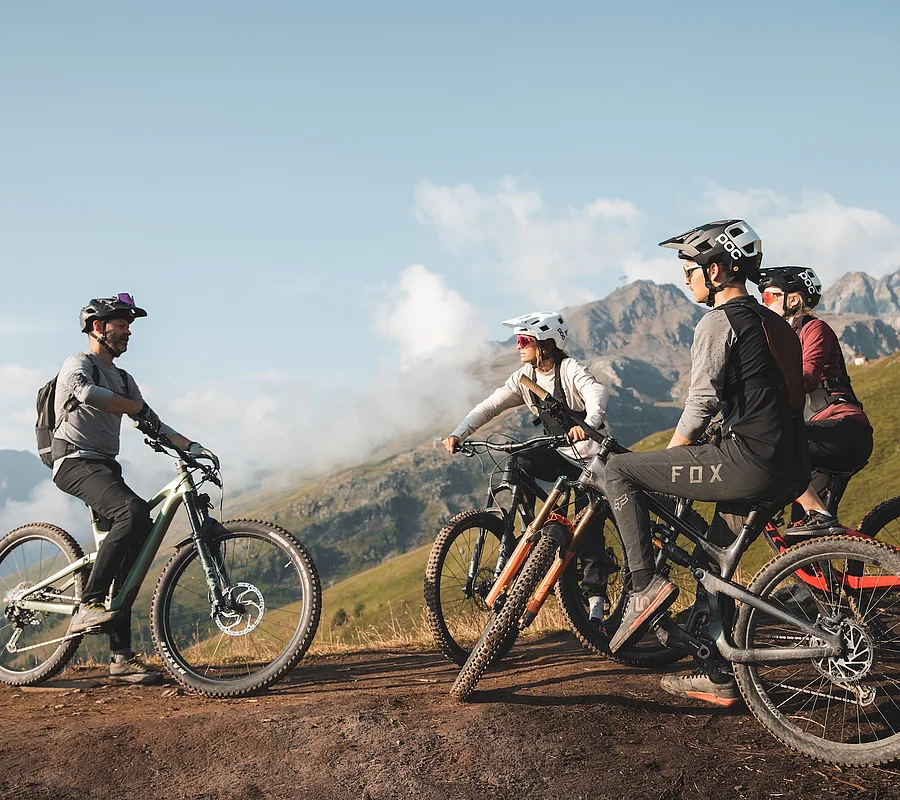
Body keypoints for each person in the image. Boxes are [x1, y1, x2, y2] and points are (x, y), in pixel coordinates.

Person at [589, 220, 810, 707]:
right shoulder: (775, 322)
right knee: (715, 560)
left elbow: (700, 404)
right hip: (791, 466)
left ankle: (643, 586)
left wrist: (668, 464)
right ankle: (719, 674)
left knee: (621, 470)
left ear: (714, 271)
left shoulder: (718, 321)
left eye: (689, 270)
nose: (684, 279)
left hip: (748, 463)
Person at [52, 294, 217, 685]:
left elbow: (152, 423)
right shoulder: (78, 363)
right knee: (133, 511)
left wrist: (193, 447)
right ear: (98, 327)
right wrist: (135, 408)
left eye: (129, 326)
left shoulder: (125, 379)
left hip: (105, 465)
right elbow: (87, 394)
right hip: (74, 461)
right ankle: (89, 604)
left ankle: (121, 658)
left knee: (137, 540)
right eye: (122, 325)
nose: (128, 332)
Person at [442, 311, 613, 624]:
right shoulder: (525, 377)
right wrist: (459, 433)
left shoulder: (569, 369)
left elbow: (596, 391)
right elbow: (491, 405)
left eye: (524, 340)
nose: (518, 347)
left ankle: (596, 603)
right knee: (519, 461)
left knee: (587, 531)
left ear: (545, 344)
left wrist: (589, 423)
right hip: (560, 455)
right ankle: (532, 531)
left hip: (590, 459)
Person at [756, 266, 873, 534]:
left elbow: (807, 377)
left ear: (793, 299)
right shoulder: (781, 339)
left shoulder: (814, 329)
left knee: (774, 442)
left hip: (844, 429)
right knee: (801, 536)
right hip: (814, 440)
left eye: (768, 297)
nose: (764, 303)